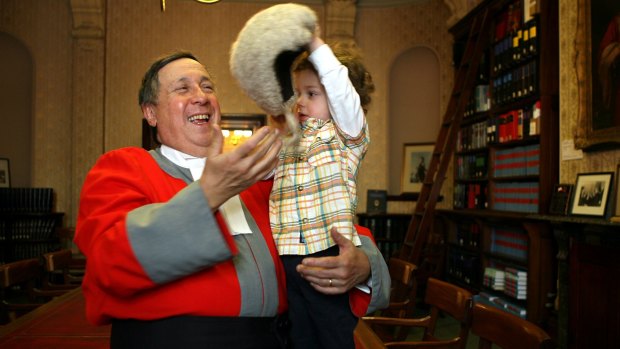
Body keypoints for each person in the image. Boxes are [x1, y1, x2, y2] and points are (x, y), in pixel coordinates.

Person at [74, 51, 390, 349]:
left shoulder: (261, 177)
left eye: (207, 86)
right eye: (182, 88)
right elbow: (108, 260)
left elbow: (330, 223)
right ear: (150, 112)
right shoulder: (124, 167)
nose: (201, 95)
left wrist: (362, 266)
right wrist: (209, 193)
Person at [269, 31, 375, 349]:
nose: (300, 101)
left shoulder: (345, 135)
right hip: (290, 254)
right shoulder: (292, 141)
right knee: (300, 334)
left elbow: (340, 91)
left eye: (312, 93)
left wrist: (315, 46)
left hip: (325, 251)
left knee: (331, 332)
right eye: (298, 92)